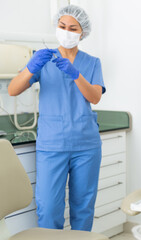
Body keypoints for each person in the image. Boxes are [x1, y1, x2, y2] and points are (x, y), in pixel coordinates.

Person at [8, 5, 105, 231]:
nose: (66, 31)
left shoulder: (92, 62)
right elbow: (13, 90)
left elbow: (95, 96)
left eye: (73, 28)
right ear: (56, 27)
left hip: (86, 145)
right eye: (62, 26)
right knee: (49, 209)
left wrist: (75, 74)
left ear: (82, 32)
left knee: (83, 208)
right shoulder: (43, 60)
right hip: (52, 145)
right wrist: (31, 68)